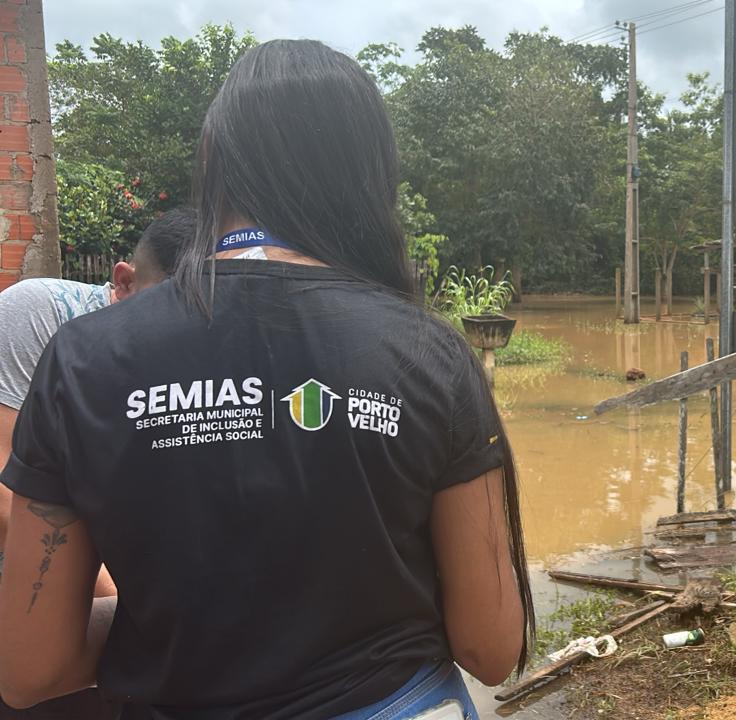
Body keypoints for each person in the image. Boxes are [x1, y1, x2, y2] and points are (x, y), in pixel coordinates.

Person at [0, 40, 532, 720]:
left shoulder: (83, 360)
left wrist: (168, 629)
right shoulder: (429, 354)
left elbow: (28, 670)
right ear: (370, 173)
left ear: (213, 158)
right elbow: (490, 646)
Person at [0, 207, 196, 719]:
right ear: (124, 282)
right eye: (163, 308)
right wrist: (132, 608)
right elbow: (4, 488)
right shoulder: (38, 314)